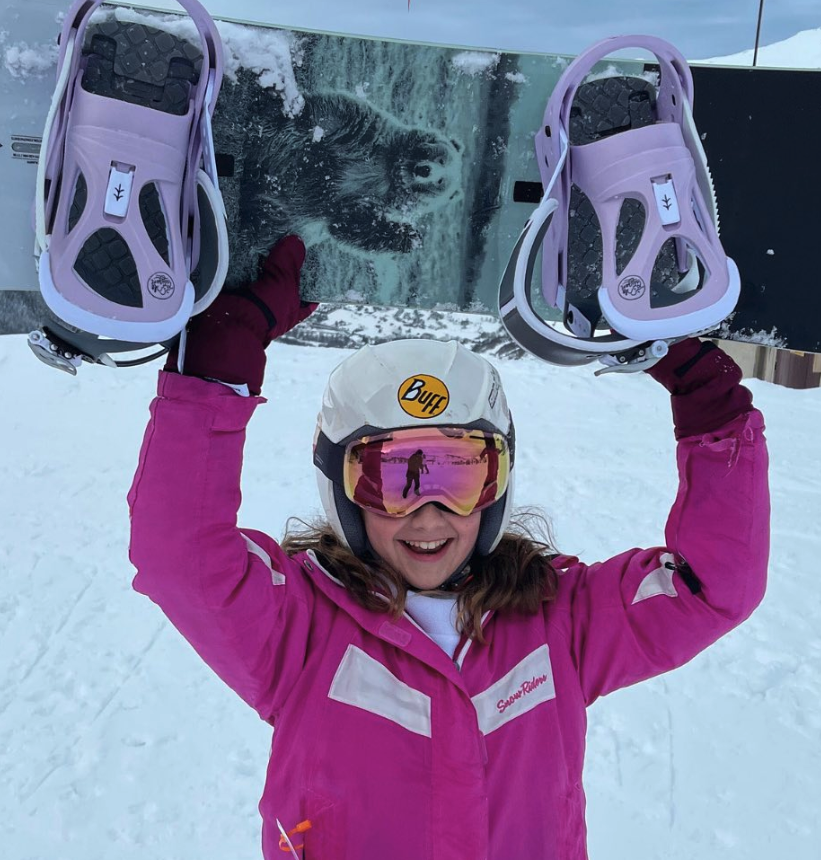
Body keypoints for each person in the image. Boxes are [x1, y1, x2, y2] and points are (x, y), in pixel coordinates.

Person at [128, 236, 769, 860]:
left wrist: (707, 402)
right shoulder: (298, 631)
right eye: (391, 479)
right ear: (342, 490)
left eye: (461, 475)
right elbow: (181, 555)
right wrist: (217, 374)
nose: (430, 514)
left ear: (497, 486)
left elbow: (711, 586)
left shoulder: (560, 622)